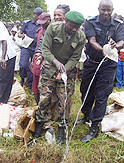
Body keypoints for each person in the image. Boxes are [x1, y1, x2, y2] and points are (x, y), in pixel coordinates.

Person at [32, 11, 85, 145]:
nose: (74, 29)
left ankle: (62, 130)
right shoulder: (53, 28)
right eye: (72, 26)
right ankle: (38, 128)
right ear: (66, 21)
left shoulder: (80, 37)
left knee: (65, 100)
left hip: (67, 70)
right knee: (45, 98)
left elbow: (75, 58)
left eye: (76, 27)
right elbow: (45, 49)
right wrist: (55, 62)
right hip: (50, 66)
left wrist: (64, 69)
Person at [77, 0, 124, 143]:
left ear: (112, 10)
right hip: (92, 62)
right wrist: (104, 49)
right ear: (98, 9)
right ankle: (86, 114)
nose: (106, 13)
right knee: (86, 90)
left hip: (108, 65)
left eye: (108, 10)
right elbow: (91, 40)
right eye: (103, 10)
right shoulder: (90, 22)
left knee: (101, 94)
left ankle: (95, 125)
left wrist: (116, 46)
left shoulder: (118, 24)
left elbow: (122, 41)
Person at [19, 7, 43, 93]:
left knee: (32, 67)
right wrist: (21, 35)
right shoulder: (27, 23)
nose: (39, 17)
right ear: (34, 15)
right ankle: (22, 78)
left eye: (40, 15)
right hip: (26, 46)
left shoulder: (42, 25)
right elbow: (20, 32)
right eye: (37, 15)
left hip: (36, 48)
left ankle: (30, 84)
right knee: (23, 64)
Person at [30, 13, 51, 105]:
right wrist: (33, 59)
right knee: (36, 79)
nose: (42, 24)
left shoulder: (53, 31)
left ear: (49, 21)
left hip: (48, 61)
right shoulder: (40, 30)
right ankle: (37, 104)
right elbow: (38, 45)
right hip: (38, 59)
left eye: (44, 22)